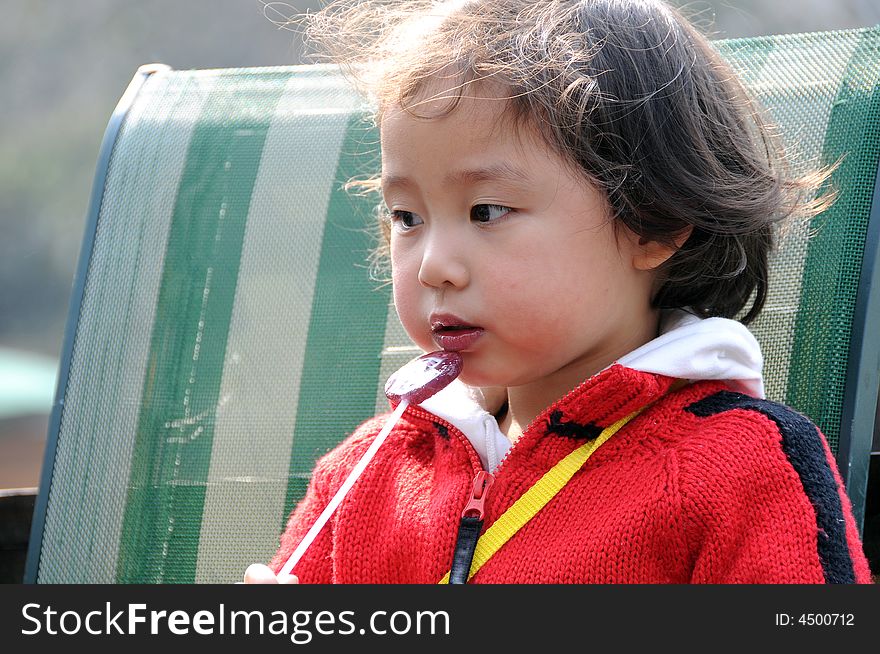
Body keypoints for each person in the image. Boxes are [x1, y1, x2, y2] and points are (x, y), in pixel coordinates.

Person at [245, 0, 872, 584]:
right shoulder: (366, 473)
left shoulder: (738, 468)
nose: (433, 266)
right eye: (407, 217)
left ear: (654, 224)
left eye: (487, 210)